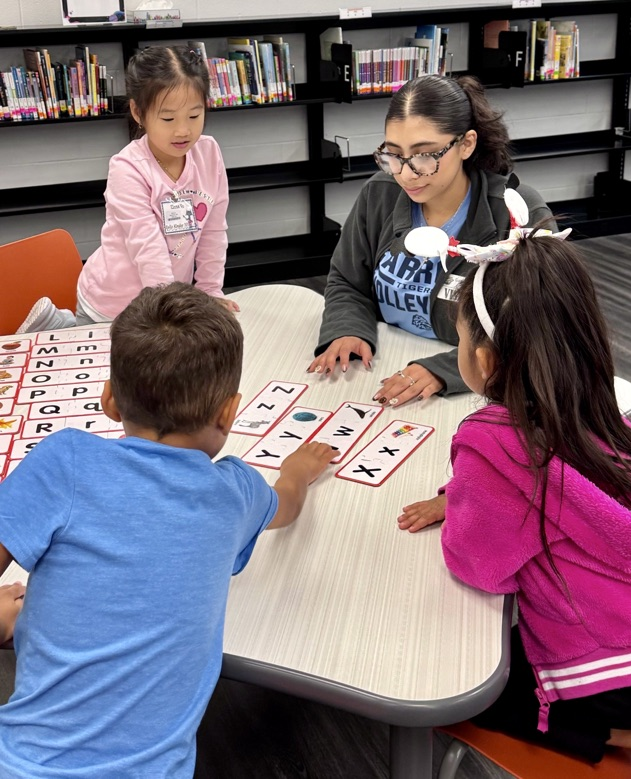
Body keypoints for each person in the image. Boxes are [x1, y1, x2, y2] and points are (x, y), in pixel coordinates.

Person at [397, 211, 631, 777]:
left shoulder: (494, 443)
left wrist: (465, 503)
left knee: (466, 684)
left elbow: (479, 567)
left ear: (486, 360)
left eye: (463, 337)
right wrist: (460, 493)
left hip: (623, 683)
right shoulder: (598, 408)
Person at [0, 282, 336, 778]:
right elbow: (285, 506)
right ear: (228, 412)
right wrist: (296, 472)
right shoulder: (235, 492)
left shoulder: (64, 459)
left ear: (110, 399)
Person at [308, 74, 554, 407]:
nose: (406, 173)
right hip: (385, 367)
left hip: (478, 388)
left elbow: (542, 325)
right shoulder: (379, 194)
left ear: (466, 144)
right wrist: (347, 328)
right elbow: (347, 281)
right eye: (393, 155)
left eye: (425, 156)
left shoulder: (515, 211)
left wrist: (444, 370)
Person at [74, 45, 238, 325]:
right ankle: (60, 324)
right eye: (168, 118)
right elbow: (148, 249)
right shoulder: (127, 168)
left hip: (167, 300)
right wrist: (172, 311)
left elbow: (213, 230)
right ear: (138, 113)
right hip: (111, 308)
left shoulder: (208, 153)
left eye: (194, 115)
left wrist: (208, 290)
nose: (183, 130)